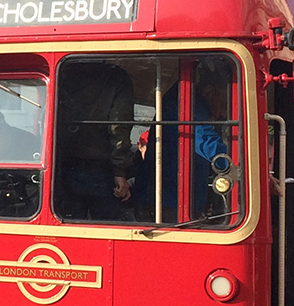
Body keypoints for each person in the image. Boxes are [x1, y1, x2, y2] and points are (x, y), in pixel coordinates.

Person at [134, 64, 230, 222]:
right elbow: (207, 143)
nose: (223, 113)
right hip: (167, 199)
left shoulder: (187, 103)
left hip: (169, 197)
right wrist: (245, 168)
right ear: (210, 92)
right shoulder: (187, 105)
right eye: (223, 104)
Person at [55, 62, 136, 220]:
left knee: (70, 224)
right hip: (102, 167)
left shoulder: (65, 72)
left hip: (63, 164)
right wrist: (120, 172)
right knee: (106, 225)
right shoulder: (117, 77)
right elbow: (119, 126)